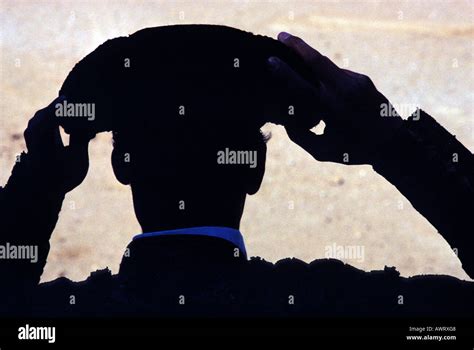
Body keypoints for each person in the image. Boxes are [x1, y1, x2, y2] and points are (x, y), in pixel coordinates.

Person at [0, 31, 472, 314]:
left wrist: (36, 187)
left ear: (121, 164)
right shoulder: (337, 304)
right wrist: (393, 144)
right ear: (256, 169)